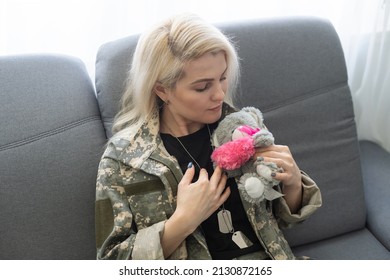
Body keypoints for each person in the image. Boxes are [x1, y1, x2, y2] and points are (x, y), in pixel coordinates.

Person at [95, 13, 322, 260]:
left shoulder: (241, 128)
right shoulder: (125, 158)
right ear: (162, 89)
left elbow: (286, 219)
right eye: (202, 87)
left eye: (223, 78)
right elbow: (113, 260)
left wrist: (293, 182)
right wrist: (183, 221)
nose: (219, 95)